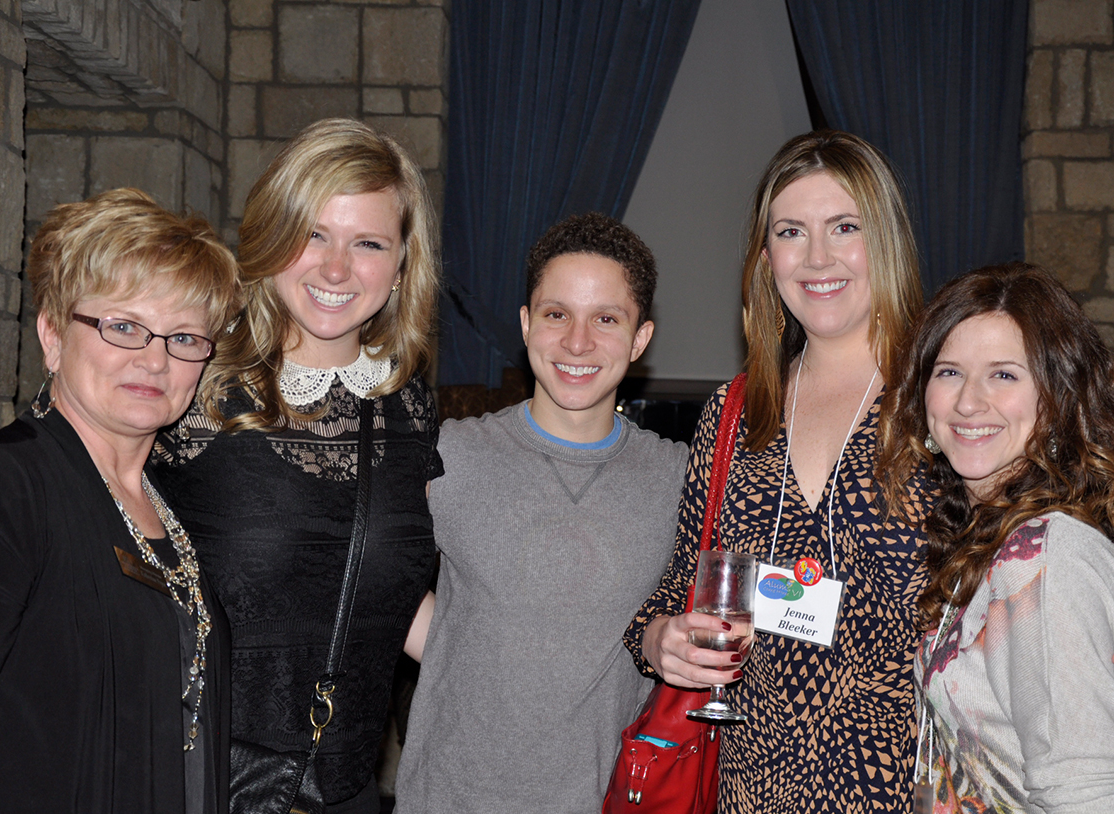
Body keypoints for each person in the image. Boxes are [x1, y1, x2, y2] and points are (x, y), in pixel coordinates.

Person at [625, 130, 933, 812]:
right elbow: (682, 582)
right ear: (766, 259)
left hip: (907, 792)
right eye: (792, 232)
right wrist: (658, 640)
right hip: (750, 786)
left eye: (844, 227)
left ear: (884, 239)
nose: (818, 257)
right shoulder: (738, 411)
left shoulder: (941, 401)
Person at [153, 118, 441, 814]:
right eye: (314, 233)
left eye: (367, 243)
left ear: (402, 265)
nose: (336, 269)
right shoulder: (190, 382)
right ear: (273, 235)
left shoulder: (409, 410)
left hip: (341, 794)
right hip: (196, 788)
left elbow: (395, 604)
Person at [393, 212, 689, 813]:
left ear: (640, 339)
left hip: (604, 800)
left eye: (606, 319)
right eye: (557, 314)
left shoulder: (681, 476)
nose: (577, 342)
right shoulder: (448, 453)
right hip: (448, 800)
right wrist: (453, 640)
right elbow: (357, 569)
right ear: (527, 326)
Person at [0, 188, 240, 812]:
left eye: (183, 337)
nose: (154, 359)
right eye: (124, 326)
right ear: (52, 335)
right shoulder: (3, 487)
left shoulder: (170, 508)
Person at [880, 263, 1114, 813]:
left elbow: (1086, 792)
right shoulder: (986, 540)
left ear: (1057, 398)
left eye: (1004, 375)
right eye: (950, 372)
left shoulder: (1045, 558)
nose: (967, 402)